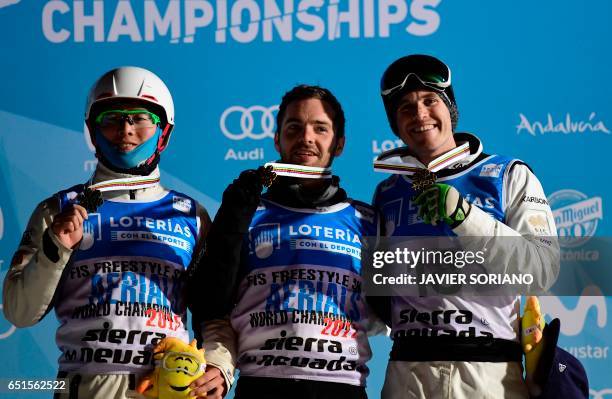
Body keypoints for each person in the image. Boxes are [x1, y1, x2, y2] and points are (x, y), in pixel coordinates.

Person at [2, 66, 232, 399]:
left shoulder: (191, 215)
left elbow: (215, 312)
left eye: (140, 118)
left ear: (163, 134)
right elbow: (19, 312)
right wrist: (57, 247)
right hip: (86, 388)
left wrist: (219, 365)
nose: (125, 130)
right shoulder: (57, 210)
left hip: (169, 387)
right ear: (92, 131)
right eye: (111, 118)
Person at [371, 54, 560, 398]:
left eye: (430, 101)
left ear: (450, 110)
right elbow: (377, 300)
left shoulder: (508, 175)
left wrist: (463, 216)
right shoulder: (387, 192)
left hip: (488, 374)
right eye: (406, 108)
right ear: (395, 125)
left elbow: (542, 269)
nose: (420, 115)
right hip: (406, 374)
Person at [186, 85, 381, 399]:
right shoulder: (247, 211)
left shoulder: (367, 220)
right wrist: (232, 221)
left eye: (320, 128)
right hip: (261, 386)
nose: (306, 137)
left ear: (339, 143)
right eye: (294, 127)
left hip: (342, 388)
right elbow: (210, 305)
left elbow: (403, 309)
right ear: (277, 139)